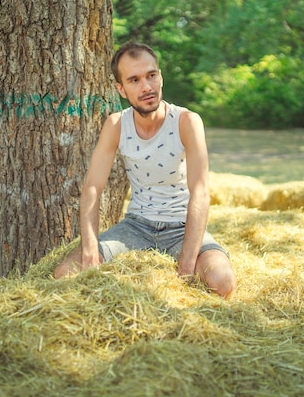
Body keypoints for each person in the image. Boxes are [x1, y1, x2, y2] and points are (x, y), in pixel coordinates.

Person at [54, 41, 236, 299]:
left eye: (152, 76)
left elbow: (201, 193)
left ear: (160, 76)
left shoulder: (187, 121)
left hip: (182, 226)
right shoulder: (116, 124)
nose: (147, 87)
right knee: (66, 273)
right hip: (135, 228)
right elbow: (92, 187)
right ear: (121, 89)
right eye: (134, 80)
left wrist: (187, 260)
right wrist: (90, 249)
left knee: (222, 282)